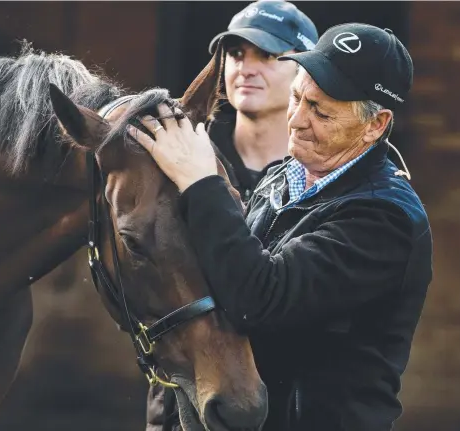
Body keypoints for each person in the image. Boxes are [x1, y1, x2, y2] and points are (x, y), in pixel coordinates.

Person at [131, 22, 433, 431]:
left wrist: (202, 183)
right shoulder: (281, 176)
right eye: (297, 97)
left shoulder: (386, 219)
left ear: (375, 125)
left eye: (320, 111)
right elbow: (216, 281)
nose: (296, 121)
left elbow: (261, 298)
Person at [203, 0, 319, 204]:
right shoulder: (194, 152)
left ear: (305, 69)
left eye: (267, 55)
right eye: (236, 54)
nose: (246, 70)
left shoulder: (325, 172)